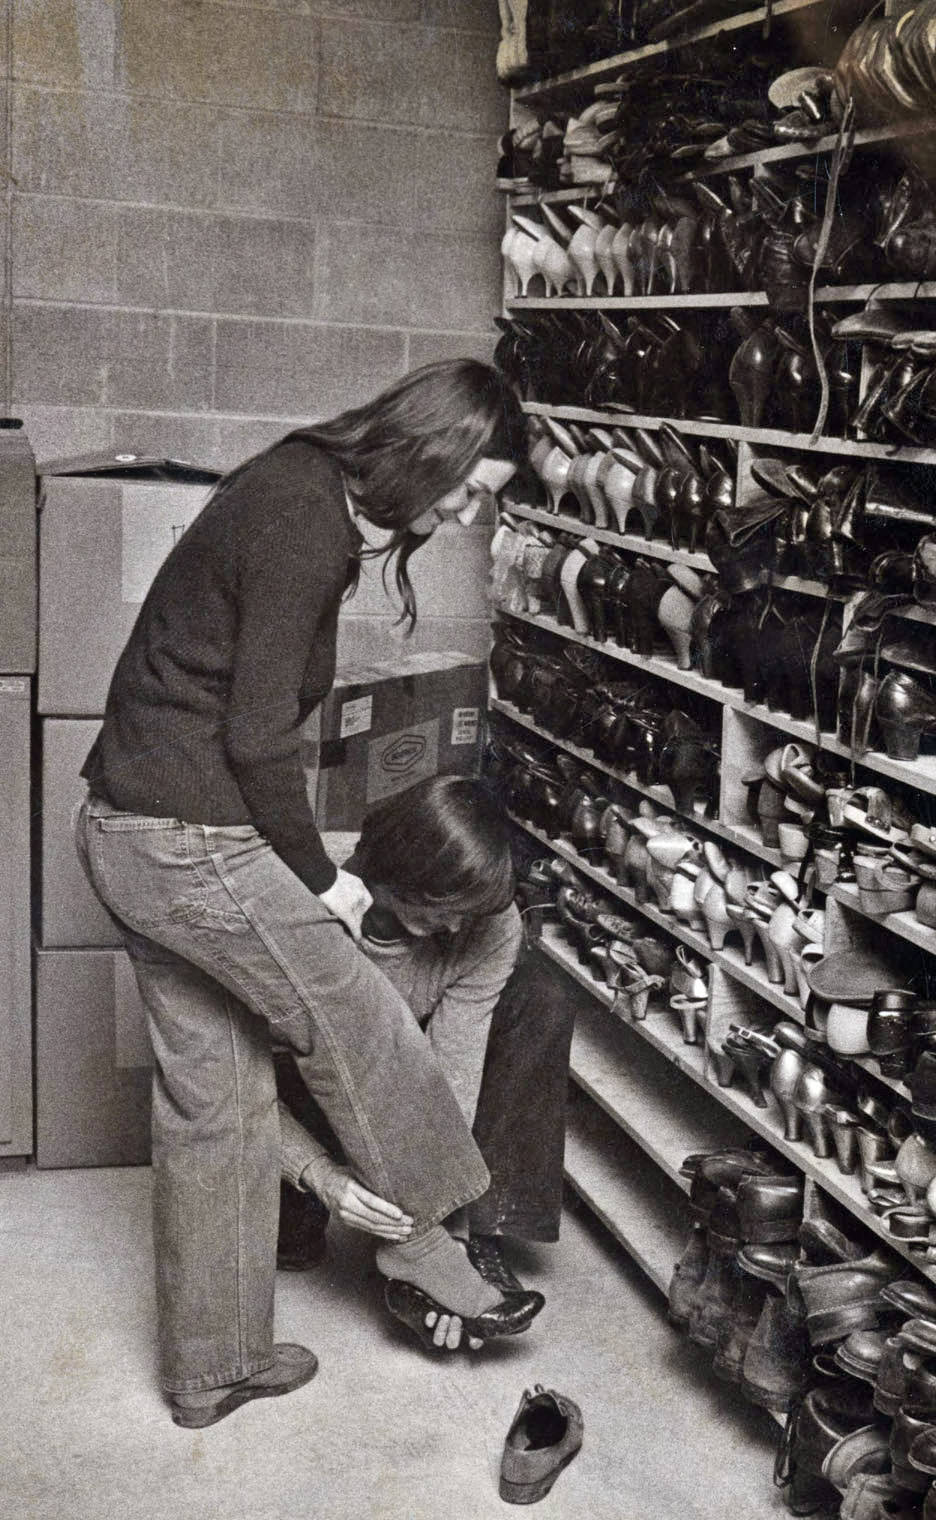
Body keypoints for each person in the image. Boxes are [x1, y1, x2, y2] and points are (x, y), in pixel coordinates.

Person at [76, 359, 537, 1430]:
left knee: (215, 1103)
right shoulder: (302, 517)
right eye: (470, 487)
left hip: (128, 826)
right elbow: (254, 737)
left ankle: (212, 1368)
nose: (469, 513)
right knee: (359, 1017)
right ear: (431, 446)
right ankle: (432, 1249)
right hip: (185, 835)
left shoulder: (296, 490)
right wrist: (320, 878)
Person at [273, 774, 575, 1346]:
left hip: (405, 1078)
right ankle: (364, 1222)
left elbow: (451, 1073)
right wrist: (322, 1177)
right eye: (448, 908)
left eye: (470, 912)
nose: (459, 927)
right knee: (288, 1239)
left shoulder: (487, 919)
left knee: (539, 998)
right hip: (304, 1081)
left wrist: (444, 1228)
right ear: (403, 869)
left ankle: (464, 1237)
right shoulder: (298, 901)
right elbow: (236, 1082)